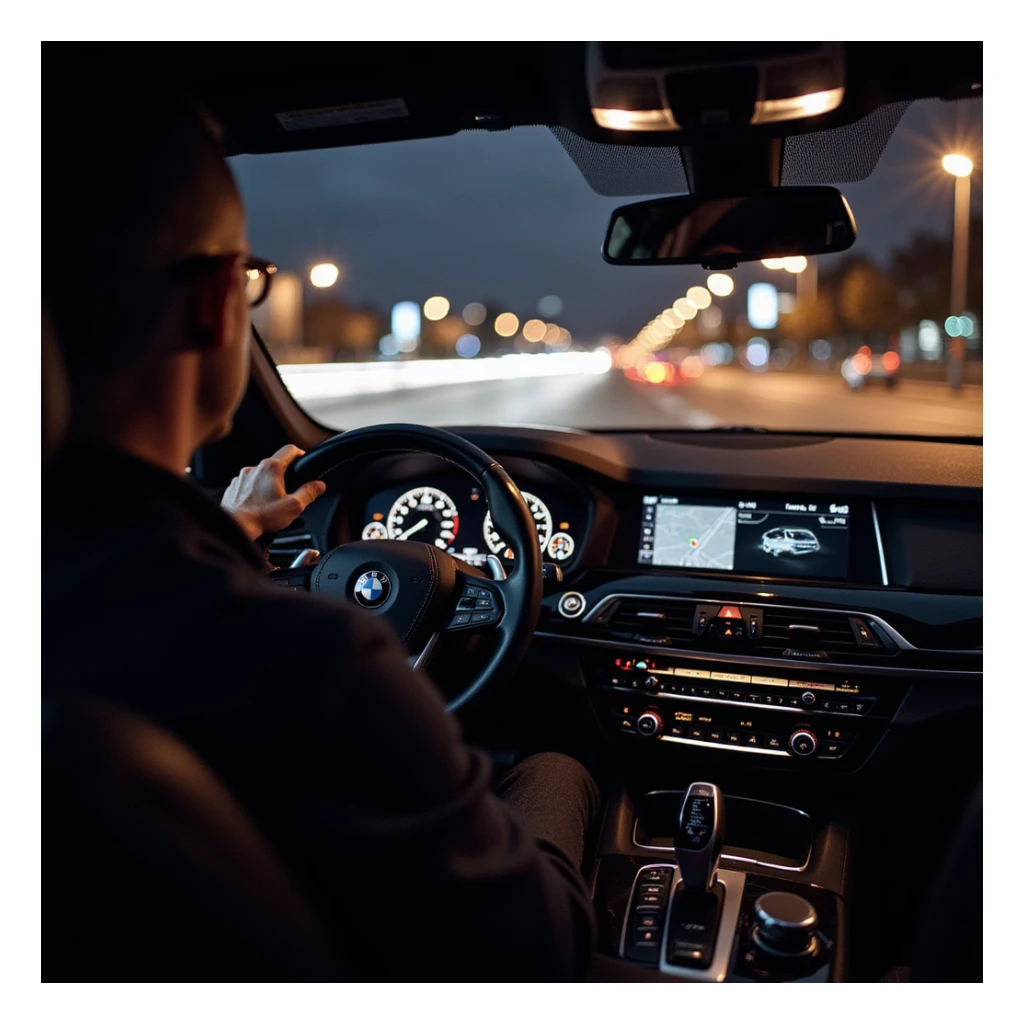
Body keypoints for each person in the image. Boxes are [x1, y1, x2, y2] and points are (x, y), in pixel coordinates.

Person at [42, 82, 599, 981]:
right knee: (557, 757)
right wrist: (562, 763)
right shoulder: (319, 668)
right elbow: (539, 958)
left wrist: (224, 536)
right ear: (217, 301)